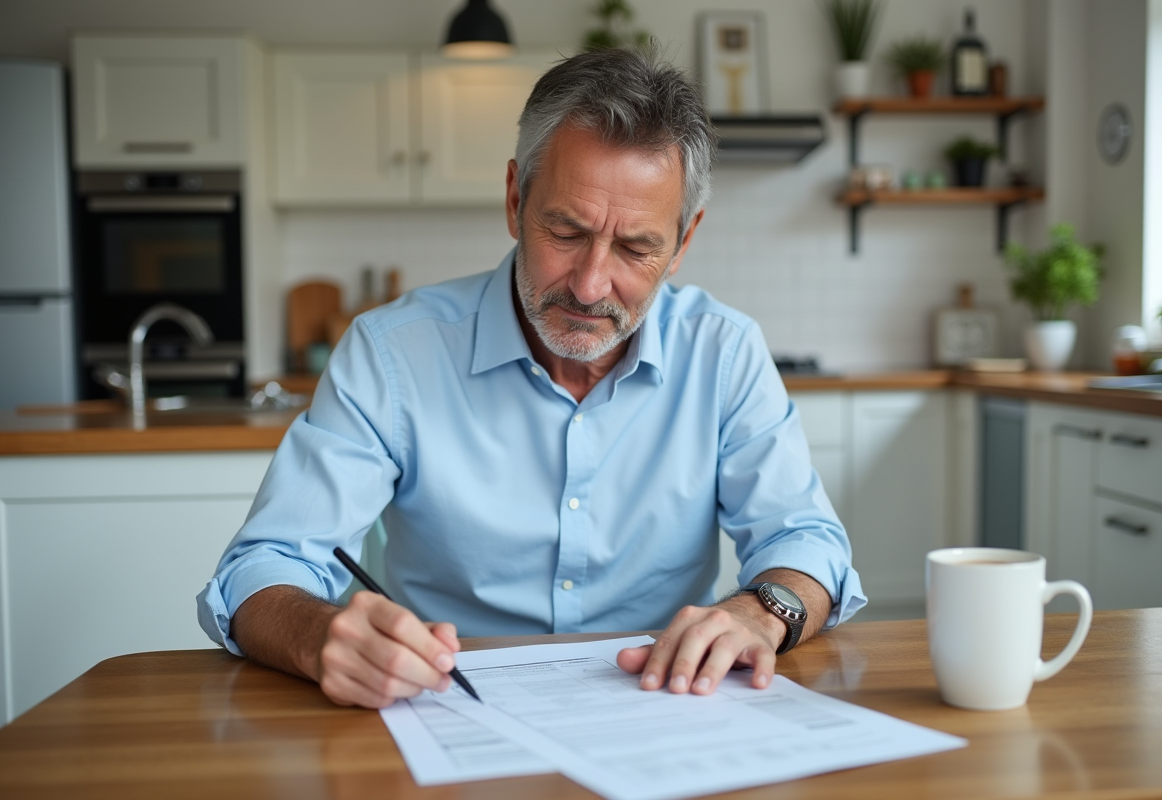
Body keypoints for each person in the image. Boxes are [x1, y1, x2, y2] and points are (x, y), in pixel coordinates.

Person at [198, 46, 865, 709]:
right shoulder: (391, 353)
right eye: (566, 231)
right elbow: (265, 566)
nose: (590, 283)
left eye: (636, 247)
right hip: (440, 707)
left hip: (661, 708)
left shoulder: (725, 353)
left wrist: (762, 609)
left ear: (684, 242)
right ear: (517, 199)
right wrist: (318, 636)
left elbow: (804, 541)